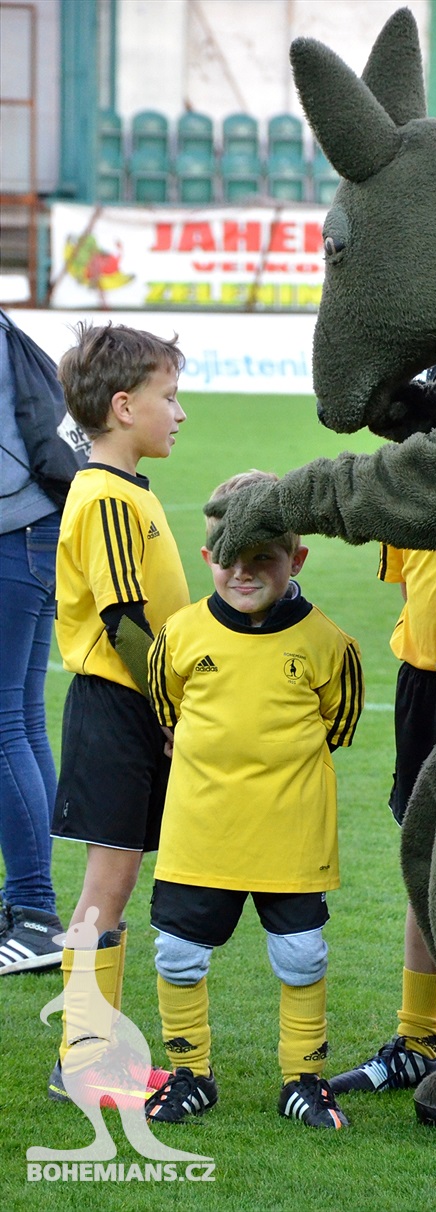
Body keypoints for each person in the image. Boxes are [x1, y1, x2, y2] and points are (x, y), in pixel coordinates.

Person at [144, 470, 363, 1130]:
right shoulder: (179, 637)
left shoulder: (328, 644)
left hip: (290, 837)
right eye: (229, 559)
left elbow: (337, 723)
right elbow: (168, 712)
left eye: (263, 558)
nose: (245, 572)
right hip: (198, 835)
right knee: (178, 956)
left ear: (295, 558)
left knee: (302, 958)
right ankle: (190, 1074)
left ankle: (303, 1080)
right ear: (207, 557)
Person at [329, 358, 436, 1095]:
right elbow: (417, 593)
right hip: (427, 684)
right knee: (424, 862)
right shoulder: (411, 473)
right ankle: (417, 1040)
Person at [46, 322, 189, 1100]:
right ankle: (83, 1058)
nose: (180, 412)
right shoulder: (102, 494)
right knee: (107, 880)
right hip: (117, 705)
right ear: (126, 406)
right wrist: (169, 707)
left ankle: (93, 1052)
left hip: (135, 705)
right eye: (171, 397)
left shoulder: (127, 489)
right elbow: (122, 619)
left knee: (121, 877)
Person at [0, 314, 71, 972]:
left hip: (13, 536)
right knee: (19, 719)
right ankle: (29, 904)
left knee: (5, 725)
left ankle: (33, 912)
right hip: (36, 533)